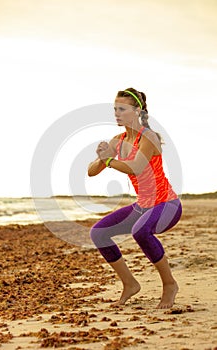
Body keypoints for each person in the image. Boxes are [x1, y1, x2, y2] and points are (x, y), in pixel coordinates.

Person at [88, 88, 182, 309]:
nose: (116, 113)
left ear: (137, 111)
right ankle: (129, 284)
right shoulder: (117, 140)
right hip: (143, 206)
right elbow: (92, 171)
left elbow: (137, 167)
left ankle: (169, 284)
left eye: (122, 109)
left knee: (140, 231)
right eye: (115, 109)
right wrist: (101, 158)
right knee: (98, 233)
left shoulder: (148, 137)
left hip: (166, 204)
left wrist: (108, 161)